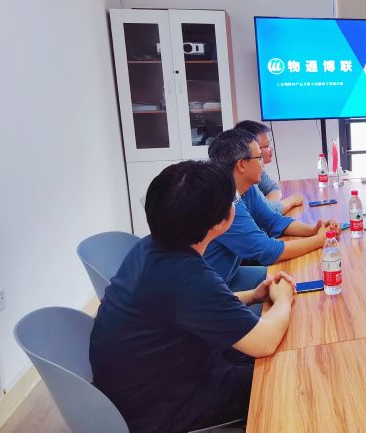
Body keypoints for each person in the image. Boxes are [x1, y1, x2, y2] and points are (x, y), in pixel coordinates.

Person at [90, 161, 297, 432]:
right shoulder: (187, 277)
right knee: (287, 376)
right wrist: (283, 299)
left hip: (143, 385)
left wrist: (251, 296)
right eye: (233, 200)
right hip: (166, 407)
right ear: (221, 222)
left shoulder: (150, 248)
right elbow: (265, 342)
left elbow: (190, 309)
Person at [204, 129, 337, 294]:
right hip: (211, 289)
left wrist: (313, 230)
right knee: (288, 289)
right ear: (242, 164)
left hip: (230, 274)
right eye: (259, 158)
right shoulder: (225, 203)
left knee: (287, 280)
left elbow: (273, 221)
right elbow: (268, 251)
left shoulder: (246, 188)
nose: (263, 163)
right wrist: (319, 240)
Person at [234, 120, 303, 215]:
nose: (271, 149)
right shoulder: (246, 176)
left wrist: (269, 206)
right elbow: (266, 212)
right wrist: (293, 200)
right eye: (266, 145)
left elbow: (273, 189)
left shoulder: (256, 169)